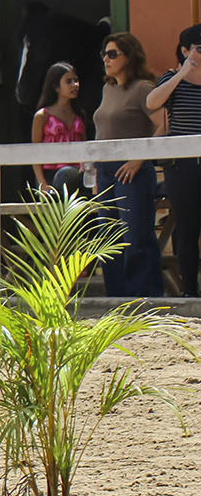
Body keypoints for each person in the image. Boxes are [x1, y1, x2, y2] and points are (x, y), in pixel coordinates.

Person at [97, 33, 164, 298]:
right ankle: (116, 297)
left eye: (113, 54)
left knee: (135, 236)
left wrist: (139, 159)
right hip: (104, 170)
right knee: (108, 237)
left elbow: (164, 124)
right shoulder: (107, 89)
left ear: (129, 56)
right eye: (104, 53)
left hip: (132, 170)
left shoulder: (142, 88)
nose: (106, 59)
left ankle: (144, 295)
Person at [147, 23, 201, 296]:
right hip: (182, 165)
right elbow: (152, 103)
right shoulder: (172, 78)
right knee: (188, 226)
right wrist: (182, 73)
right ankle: (190, 290)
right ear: (184, 50)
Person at [30, 62, 88, 193]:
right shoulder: (42, 116)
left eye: (76, 80)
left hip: (76, 175)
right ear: (56, 87)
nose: (75, 85)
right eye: (69, 81)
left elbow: (85, 147)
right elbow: (35, 152)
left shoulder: (79, 114)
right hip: (50, 175)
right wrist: (42, 183)